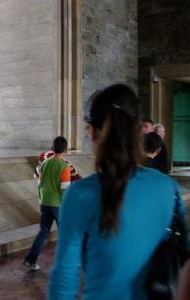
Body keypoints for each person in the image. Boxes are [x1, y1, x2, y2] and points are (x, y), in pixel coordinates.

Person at [47, 84, 188, 299]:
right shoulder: (168, 187)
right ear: (138, 132)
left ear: (93, 132)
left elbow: (65, 275)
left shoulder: (80, 195)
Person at [23, 136, 71, 271]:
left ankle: (30, 260)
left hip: (44, 202)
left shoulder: (43, 164)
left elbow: (40, 183)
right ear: (65, 150)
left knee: (43, 232)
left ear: (52, 148)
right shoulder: (64, 167)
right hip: (58, 205)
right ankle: (67, 261)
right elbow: (65, 191)